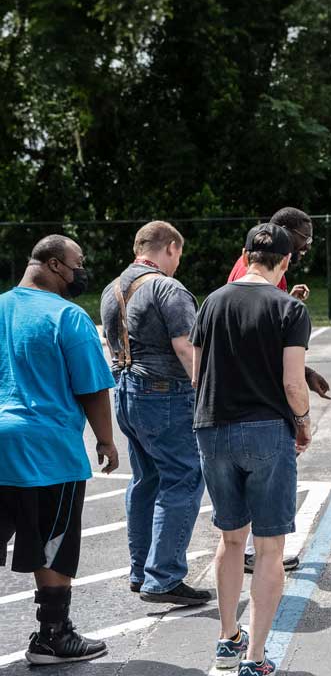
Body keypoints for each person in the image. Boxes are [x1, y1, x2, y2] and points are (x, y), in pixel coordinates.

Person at [191, 223, 312, 675]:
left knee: (229, 538)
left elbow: (198, 374)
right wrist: (301, 423)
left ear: (245, 255)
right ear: (285, 262)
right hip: (264, 430)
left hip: (212, 427)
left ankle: (227, 639)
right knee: (269, 548)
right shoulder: (289, 308)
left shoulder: (213, 301)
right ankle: (256, 658)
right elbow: (292, 381)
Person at [0, 234, 119, 664]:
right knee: (53, 542)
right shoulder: (68, 317)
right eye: (77, 263)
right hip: (47, 449)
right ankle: (52, 635)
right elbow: (92, 387)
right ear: (52, 264)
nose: (80, 271)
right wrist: (105, 440)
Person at [100, 221, 210, 605]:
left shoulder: (111, 290)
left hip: (127, 393)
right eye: (179, 254)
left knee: (145, 479)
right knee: (183, 477)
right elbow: (186, 348)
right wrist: (207, 392)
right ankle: (163, 577)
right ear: (171, 248)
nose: (179, 261)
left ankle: (140, 569)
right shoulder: (168, 287)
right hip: (164, 395)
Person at [228, 206, 329, 573]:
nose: (307, 246)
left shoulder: (263, 277)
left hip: (241, 401)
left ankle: (249, 548)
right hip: (260, 401)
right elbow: (261, 342)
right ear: (284, 234)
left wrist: (306, 370)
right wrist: (301, 407)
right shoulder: (253, 276)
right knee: (264, 478)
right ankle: (259, 551)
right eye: (304, 237)